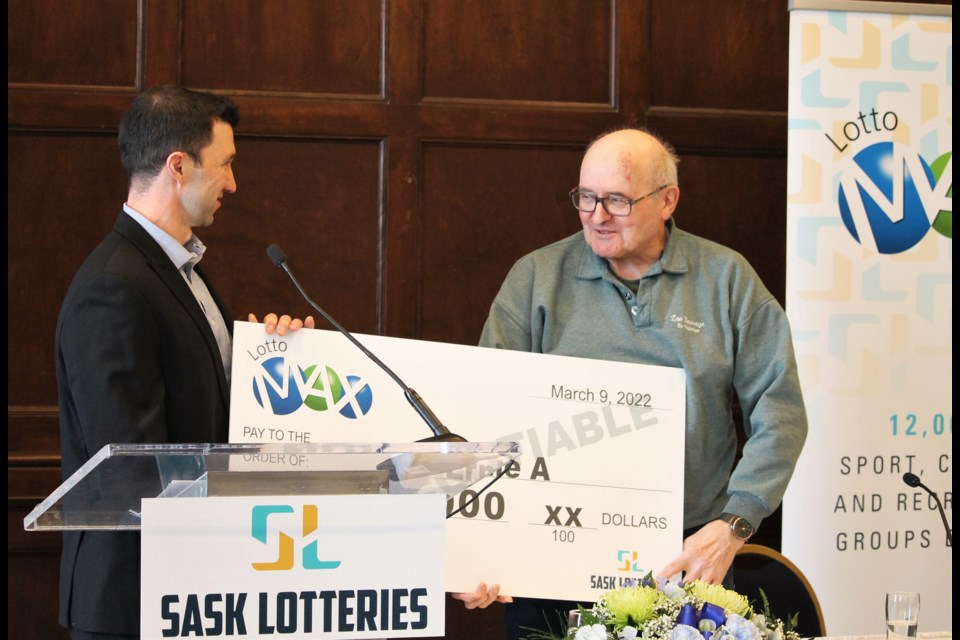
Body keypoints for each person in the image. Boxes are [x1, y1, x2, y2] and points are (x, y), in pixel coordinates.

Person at [452, 127, 808, 639]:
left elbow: (781, 412)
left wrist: (734, 525)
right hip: (550, 548)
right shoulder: (536, 279)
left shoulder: (726, 279)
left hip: (687, 555)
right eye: (586, 198)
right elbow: (482, 420)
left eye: (616, 200)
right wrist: (479, 545)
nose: (597, 216)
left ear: (668, 200)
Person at [55, 85, 314, 640]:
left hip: (190, 593)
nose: (234, 183)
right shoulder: (113, 287)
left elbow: (207, 407)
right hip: (136, 604)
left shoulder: (180, 271)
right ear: (179, 165)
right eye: (225, 164)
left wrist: (277, 364)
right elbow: (132, 467)